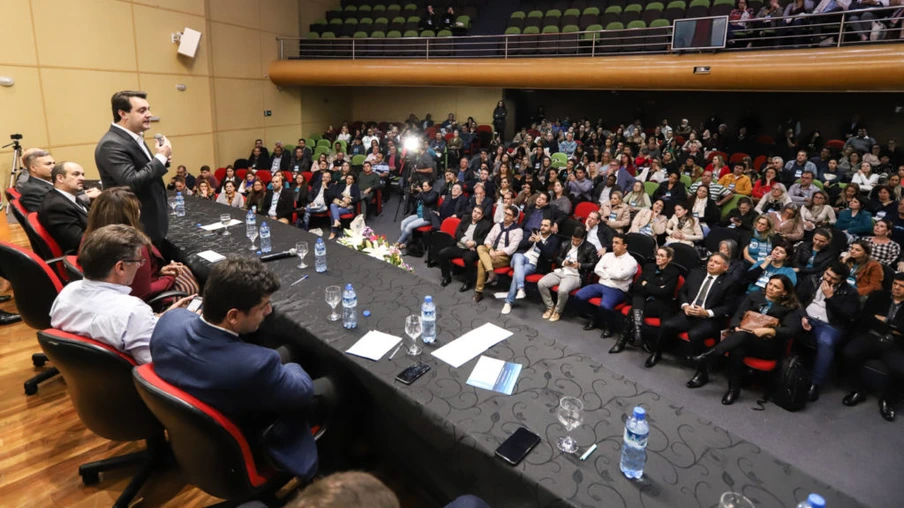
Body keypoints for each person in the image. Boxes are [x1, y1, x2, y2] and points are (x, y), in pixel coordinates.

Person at [151, 257, 327, 480]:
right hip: (247, 440)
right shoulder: (255, 366)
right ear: (233, 316)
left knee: (287, 351)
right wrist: (292, 366)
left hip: (195, 430)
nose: (269, 311)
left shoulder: (169, 322)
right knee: (334, 384)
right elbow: (302, 392)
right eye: (263, 306)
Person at [50, 224, 193, 364]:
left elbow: (108, 326)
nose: (139, 265)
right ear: (121, 267)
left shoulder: (66, 293)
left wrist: (158, 319)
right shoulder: (133, 311)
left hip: (86, 373)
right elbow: (154, 363)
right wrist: (179, 327)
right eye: (139, 261)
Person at [690, 274, 800, 404]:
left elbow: (791, 330)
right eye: (770, 284)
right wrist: (736, 326)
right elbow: (738, 314)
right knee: (737, 349)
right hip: (744, 338)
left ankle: (709, 356)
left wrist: (770, 330)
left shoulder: (789, 308)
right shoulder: (754, 296)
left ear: (784, 292)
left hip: (768, 345)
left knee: (741, 338)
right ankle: (733, 390)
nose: (771, 288)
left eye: (776, 287)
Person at [85, 187, 197, 301]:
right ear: (127, 215)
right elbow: (142, 293)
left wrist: (158, 272)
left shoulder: (88, 238)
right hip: (141, 302)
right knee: (188, 279)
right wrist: (169, 278)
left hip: (106, 296)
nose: (139, 211)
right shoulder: (135, 246)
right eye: (136, 208)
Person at [95, 90, 171, 243]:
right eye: (142, 110)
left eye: (148, 109)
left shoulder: (133, 137)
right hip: (136, 224)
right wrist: (160, 158)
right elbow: (131, 182)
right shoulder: (111, 144)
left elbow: (141, 169)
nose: (149, 114)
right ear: (123, 114)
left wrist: (162, 160)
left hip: (150, 219)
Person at [645, 253, 740, 372]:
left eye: (717, 263)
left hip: (709, 318)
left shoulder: (730, 282)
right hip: (689, 312)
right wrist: (685, 306)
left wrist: (706, 313)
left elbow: (729, 307)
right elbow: (682, 292)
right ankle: (657, 353)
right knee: (667, 325)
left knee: (695, 334)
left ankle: (702, 370)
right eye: (711, 261)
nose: (711, 264)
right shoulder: (696, 273)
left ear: (725, 268)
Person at [842, 273, 904, 422]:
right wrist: (892, 327)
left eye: (901, 286)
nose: (896, 287)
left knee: (901, 370)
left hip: (894, 343)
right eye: (895, 283)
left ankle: (888, 401)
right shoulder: (879, 296)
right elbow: (866, 317)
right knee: (848, 354)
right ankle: (858, 389)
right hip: (872, 336)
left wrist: (886, 321)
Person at [797, 261, 861, 401]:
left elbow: (848, 317)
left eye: (833, 278)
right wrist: (802, 316)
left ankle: (815, 383)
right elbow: (797, 300)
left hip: (829, 324)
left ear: (842, 280)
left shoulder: (850, 293)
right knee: (785, 326)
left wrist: (830, 298)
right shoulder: (812, 280)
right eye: (827, 274)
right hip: (806, 316)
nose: (828, 279)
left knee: (826, 342)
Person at [611, 246, 680, 354]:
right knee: (637, 301)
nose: (658, 257)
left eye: (662, 256)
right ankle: (632, 336)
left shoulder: (674, 273)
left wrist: (647, 284)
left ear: (669, 259)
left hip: (659, 303)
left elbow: (665, 292)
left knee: (633, 311)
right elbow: (637, 286)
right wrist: (656, 287)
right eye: (657, 254)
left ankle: (627, 339)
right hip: (643, 298)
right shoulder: (649, 267)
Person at [575, 234, 639, 338]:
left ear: (625, 245)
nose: (613, 245)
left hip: (617, 289)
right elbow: (597, 269)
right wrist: (611, 274)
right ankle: (593, 317)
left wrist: (606, 271)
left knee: (605, 306)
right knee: (579, 296)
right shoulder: (608, 255)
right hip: (601, 284)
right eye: (613, 242)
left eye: (617, 243)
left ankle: (609, 326)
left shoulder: (631, 261)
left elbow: (620, 276)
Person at [538, 226, 598, 323]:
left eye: (577, 241)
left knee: (562, 290)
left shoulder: (590, 247)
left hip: (575, 275)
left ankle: (558, 311)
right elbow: (557, 257)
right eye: (573, 239)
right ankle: (550, 307)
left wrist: (580, 265)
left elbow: (593, 264)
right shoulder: (565, 243)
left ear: (582, 239)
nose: (574, 242)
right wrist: (563, 262)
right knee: (541, 283)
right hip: (562, 270)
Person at [501, 218, 559, 315]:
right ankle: (520, 288)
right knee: (517, 257)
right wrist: (529, 241)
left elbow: (549, 255)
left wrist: (539, 242)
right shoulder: (535, 232)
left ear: (551, 227)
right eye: (542, 225)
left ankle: (509, 302)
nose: (542, 227)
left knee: (517, 274)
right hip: (520, 257)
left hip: (533, 263)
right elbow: (518, 245)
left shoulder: (554, 240)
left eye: (546, 225)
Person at [473, 205, 523, 302]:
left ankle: (478, 291)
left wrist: (497, 253)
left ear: (514, 218)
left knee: (481, 262)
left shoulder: (518, 230)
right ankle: (491, 272)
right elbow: (488, 239)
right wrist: (491, 250)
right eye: (505, 213)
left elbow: (511, 249)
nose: (506, 216)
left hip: (503, 256)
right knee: (480, 247)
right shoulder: (497, 226)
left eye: (509, 215)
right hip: (491, 251)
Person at [38, 162, 90, 254]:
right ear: (60, 178)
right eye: (76, 174)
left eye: (82, 174)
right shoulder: (56, 206)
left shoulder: (68, 197)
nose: (82, 178)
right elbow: (80, 242)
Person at [438, 206, 492, 289]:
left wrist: (474, 243)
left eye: (478, 213)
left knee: (468, 259)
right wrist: (466, 241)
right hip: (460, 245)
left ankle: (468, 282)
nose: (475, 214)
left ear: (481, 216)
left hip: (472, 249)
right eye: (475, 211)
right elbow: (458, 232)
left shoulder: (486, 224)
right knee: (442, 253)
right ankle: (446, 277)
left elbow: (484, 239)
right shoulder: (465, 218)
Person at [396, 180, 438, 250]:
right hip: (419, 214)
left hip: (427, 216)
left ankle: (399, 242)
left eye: (425, 186)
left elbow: (427, 200)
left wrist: (421, 191)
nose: (423, 187)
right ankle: (405, 242)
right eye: (423, 186)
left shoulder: (434, 193)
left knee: (409, 226)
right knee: (403, 222)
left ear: (430, 187)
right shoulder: (422, 193)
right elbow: (414, 200)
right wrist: (412, 191)